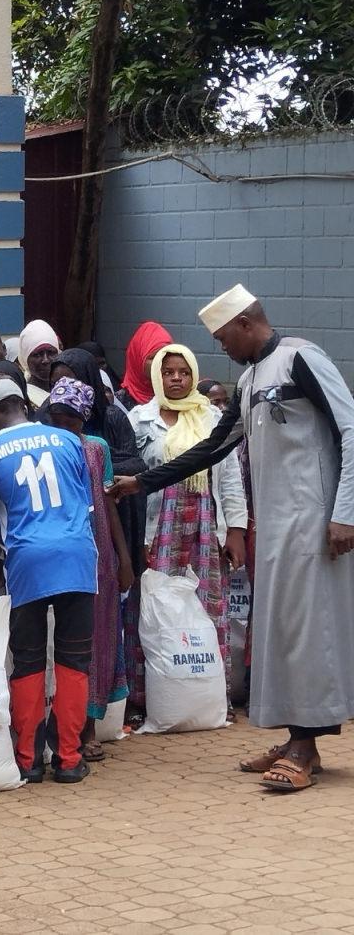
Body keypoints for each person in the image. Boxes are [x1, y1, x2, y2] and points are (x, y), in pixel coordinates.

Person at [111, 286, 354, 791]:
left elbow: (351, 430)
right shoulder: (248, 381)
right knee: (283, 633)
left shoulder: (301, 360)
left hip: (314, 522)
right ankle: (294, 738)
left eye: (223, 338)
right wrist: (143, 482)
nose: (221, 349)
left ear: (246, 324)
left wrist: (346, 514)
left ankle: (306, 750)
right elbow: (214, 447)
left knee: (307, 632)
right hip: (277, 527)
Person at [0, 379, 98, 784]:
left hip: (27, 562)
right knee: (73, 659)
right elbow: (86, 505)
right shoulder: (70, 442)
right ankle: (70, 760)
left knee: (27, 661)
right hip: (78, 557)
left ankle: (28, 760)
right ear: (24, 405)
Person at [129, 344, 248, 720]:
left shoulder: (213, 417)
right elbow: (136, 482)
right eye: (168, 373)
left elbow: (229, 477)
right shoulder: (140, 419)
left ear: (193, 375)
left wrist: (236, 530)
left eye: (183, 372)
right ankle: (155, 699)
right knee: (157, 607)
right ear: (156, 378)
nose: (176, 379)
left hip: (204, 526)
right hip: (159, 527)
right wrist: (138, 540)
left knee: (209, 607)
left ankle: (213, 696)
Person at [43, 348, 149, 724]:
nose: (63, 426)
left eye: (71, 420)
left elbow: (110, 508)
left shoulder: (97, 448)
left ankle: (87, 725)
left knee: (99, 634)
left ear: (84, 419)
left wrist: (122, 559)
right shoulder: (42, 448)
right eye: (56, 418)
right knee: (61, 638)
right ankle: (57, 723)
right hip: (57, 553)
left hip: (99, 552)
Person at [116, 321, 173, 411]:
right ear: (137, 360)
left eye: (165, 357)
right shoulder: (118, 405)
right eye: (153, 357)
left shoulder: (179, 397)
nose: (161, 363)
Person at [17, 319, 61, 406]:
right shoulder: (22, 397)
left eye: (51, 352)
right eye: (37, 355)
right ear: (25, 359)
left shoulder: (69, 390)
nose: (46, 360)